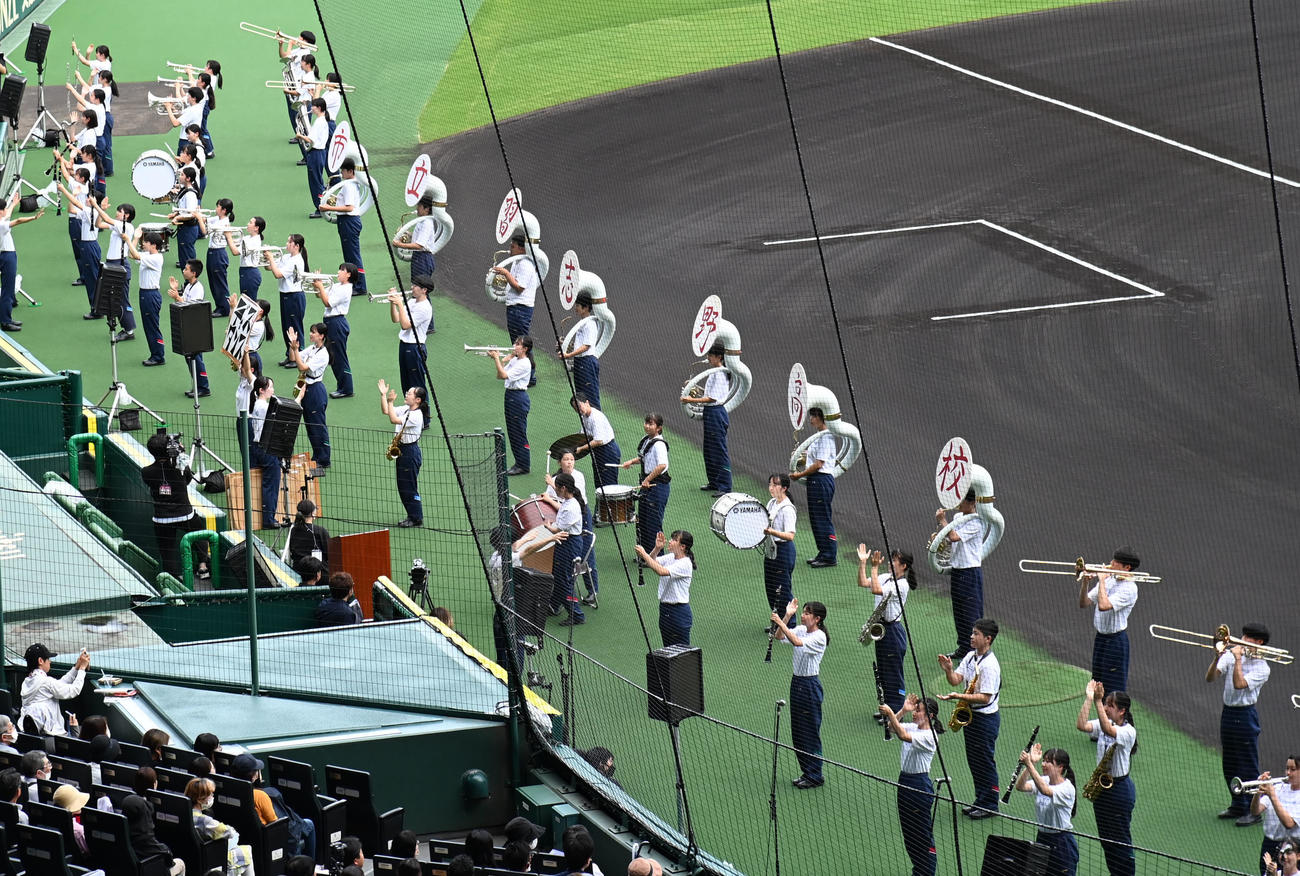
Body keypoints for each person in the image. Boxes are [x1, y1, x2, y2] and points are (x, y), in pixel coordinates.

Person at [1207, 622, 1273, 825]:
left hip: (1245, 715)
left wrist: (1237, 659)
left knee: (1247, 764)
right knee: (1230, 762)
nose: (1242, 640)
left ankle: (1253, 811)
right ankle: (1237, 805)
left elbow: (1239, 684)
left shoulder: (1263, 668)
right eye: (1243, 636)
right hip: (1228, 713)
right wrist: (1217, 657)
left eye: (1248, 638)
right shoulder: (1232, 655)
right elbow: (1210, 678)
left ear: (1259, 642)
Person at [938, 617, 1002, 817]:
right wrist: (949, 670)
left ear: (988, 639)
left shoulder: (989, 665)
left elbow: (985, 697)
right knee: (974, 761)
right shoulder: (970, 656)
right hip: (972, 717)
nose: (971, 637)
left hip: (985, 720)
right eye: (972, 633)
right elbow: (956, 680)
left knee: (984, 761)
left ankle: (990, 805)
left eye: (976, 634)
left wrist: (959, 697)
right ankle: (980, 800)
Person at [1077, 681, 1137, 876]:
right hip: (1102, 788)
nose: (1105, 707)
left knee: (1120, 840)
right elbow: (1081, 725)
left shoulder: (1128, 731)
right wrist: (1089, 698)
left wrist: (1098, 700)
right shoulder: (1105, 722)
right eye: (1105, 704)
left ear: (1122, 711)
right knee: (1106, 840)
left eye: (1110, 705)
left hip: (1119, 790)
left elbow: (1108, 730)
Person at [879, 694, 943, 876]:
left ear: (930, 716)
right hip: (905, 782)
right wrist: (902, 711)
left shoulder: (930, 736)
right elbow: (892, 728)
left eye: (918, 710)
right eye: (915, 710)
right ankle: (919, 870)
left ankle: (926, 872)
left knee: (921, 835)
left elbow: (902, 735)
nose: (915, 713)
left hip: (919, 786)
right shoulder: (913, 726)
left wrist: (890, 712)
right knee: (910, 835)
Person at [771, 597, 828, 789]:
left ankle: (815, 775)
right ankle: (807, 772)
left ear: (817, 618)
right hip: (797, 683)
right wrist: (787, 616)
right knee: (798, 731)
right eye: (803, 612)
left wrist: (780, 622)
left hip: (810, 686)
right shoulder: (802, 629)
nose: (803, 616)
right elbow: (779, 636)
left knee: (809, 731)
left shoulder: (819, 637)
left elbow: (796, 642)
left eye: (807, 613)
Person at [860, 545, 915, 714]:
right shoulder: (886, 577)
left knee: (893, 673)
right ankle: (887, 709)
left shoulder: (902, 585)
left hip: (893, 632)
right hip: (881, 629)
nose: (890, 562)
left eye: (894, 560)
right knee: (883, 670)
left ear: (903, 566)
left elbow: (876, 590)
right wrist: (863, 563)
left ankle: (897, 710)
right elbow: (863, 583)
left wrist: (874, 567)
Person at [1078, 547, 1141, 695]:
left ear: (1127, 567)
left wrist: (1101, 580)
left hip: (1115, 642)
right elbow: (1084, 603)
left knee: (1112, 690)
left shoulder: (1130, 589)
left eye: (1115, 562)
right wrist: (1085, 582)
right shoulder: (1109, 580)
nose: (1111, 563)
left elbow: (1103, 606)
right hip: (1100, 639)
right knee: (1096, 685)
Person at [142, 433, 203, 579]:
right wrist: (180, 455)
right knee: (200, 532)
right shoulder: (180, 468)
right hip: (185, 515)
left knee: (167, 550)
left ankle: (173, 579)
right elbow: (187, 481)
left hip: (162, 519)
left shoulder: (146, 472)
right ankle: (203, 565)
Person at [231, 753, 316, 859]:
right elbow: (275, 823)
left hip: (247, 840)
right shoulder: (260, 796)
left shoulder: (230, 791)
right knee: (309, 824)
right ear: (254, 776)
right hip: (269, 841)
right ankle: (310, 866)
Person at [935, 490, 987, 660]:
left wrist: (943, 521)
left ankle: (976, 651)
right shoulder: (958, 517)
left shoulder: (977, 522)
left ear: (972, 503)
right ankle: (964, 647)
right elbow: (950, 539)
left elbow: (954, 536)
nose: (958, 503)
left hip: (970, 572)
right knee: (959, 612)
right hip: (957, 571)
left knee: (971, 613)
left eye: (962, 500)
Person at [542, 450, 598, 605]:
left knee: (586, 555)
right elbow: (550, 498)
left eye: (572, 459)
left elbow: (567, 498)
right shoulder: (555, 479)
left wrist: (552, 485)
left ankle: (592, 591)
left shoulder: (577, 476)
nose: (569, 462)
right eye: (566, 459)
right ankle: (562, 596)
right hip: (563, 516)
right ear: (559, 462)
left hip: (581, 516)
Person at [1014, 744, 1079, 876]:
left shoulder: (1067, 788)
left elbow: (1045, 790)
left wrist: (1029, 764)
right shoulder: (1043, 780)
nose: (1043, 764)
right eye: (1043, 760)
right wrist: (1031, 763)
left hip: (1061, 843)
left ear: (1060, 767)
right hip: (1042, 837)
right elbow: (1020, 786)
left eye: (1048, 762)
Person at [789, 407, 837, 567]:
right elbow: (813, 460)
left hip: (821, 480)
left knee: (822, 518)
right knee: (816, 518)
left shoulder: (826, 437)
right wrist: (801, 458)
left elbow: (818, 464)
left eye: (813, 416)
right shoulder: (819, 436)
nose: (810, 419)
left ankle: (829, 556)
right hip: (816, 480)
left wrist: (799, 475)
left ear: (820, 417)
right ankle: (823, 552)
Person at [682, 343, 732, 494]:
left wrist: (690, 400)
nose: (708, 358)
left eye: (710, 355)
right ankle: (714, 482)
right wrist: (693, 388)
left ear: (719, 357)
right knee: (709, 449)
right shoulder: (714, 372)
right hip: (711, 412)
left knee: (719, 450)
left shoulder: (720, 374)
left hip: (716, 413)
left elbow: (712, 398)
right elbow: (708, 394)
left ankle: (725, 486)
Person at [379, 379, 428, 528]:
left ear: (417, 400)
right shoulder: (407, 409)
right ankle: (411, 515)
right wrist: (383, 396)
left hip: (410, 452)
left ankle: (416, 517)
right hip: (403, 450)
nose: (406, 394)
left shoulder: (416, 415)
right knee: (403, 485)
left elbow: (393, 419)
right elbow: (386, 411)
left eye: (410, 393)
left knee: (409, 486)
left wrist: (391, 402)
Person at [635, 530, 695, 647]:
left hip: (678, 613)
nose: (670, 541)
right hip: (665, 610)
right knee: (667, 650)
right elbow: (651, 562)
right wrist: (657, 548)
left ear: (682, 547)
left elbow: (661, 571)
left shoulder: (685, 564)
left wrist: (643, 554)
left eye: (674, 540)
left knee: (682, 652)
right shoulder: (671, 557)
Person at [621, 413, 670, 555]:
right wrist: (631, 462)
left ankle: (657, 557)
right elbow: (644, 458)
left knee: (653, 523)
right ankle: (646, 555)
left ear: (659, 427)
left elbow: (662, 465)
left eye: (651, 424)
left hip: (657, 487)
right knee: (642, 521)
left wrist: (647, 479)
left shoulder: (659, 445)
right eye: (646, 423)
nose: (647, 426)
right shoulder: (647, 440)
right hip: (647, 486)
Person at [121, 769, 185, 876]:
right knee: (180, 863)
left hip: (132, 866)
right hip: (149, 868)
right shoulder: (143, 812)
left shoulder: (128, 808)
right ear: (155, 784)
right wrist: (167, 852)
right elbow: (159, 851)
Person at [184, 777, 253, 876]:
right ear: (199, 799)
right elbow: (229, 832)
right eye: (210, 794)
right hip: (213, 858)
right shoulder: (204, 821)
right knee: (246, 849)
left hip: (195, 860)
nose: (213, 796)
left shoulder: (185, 814)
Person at [317, 158, 367, 294]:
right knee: (350, 255)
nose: (341, 173)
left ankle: (360, 286)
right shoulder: (352, 184)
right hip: (348, 221)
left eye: (343, 170)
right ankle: (355, 284)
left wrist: (328, 207)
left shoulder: (348, 186)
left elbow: (349, 207)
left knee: (353, 256)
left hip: (348, 221)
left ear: (350, 171)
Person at [19, 643, 89, 736]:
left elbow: (58, 685)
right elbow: (74, 690)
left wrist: (76, 668)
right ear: (40, 661)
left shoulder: (27, 682)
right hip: (52, 736)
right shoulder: (46, 682)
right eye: (48, 659)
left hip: (29, 732)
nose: (50, 662)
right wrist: (82, 669)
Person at [287, 324, 331, 473]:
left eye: (314, 332)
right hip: (306, 388)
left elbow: (302, 367)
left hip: (315, 391)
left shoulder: (323, 354)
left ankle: (323, 460)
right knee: (310, 426)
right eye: (311, 331)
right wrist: (293, 346)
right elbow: (293, 358)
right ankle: (316, 457)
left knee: (318, 426)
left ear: (321, 336)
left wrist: (295, 350)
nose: (311, 334)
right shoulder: (312, 348)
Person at [0, 191, 45, 333]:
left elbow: (7, 215)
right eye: (4, 208)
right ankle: (5, 321)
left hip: (5, 255)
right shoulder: (2, 225)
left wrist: (13, 204)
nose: (6, 211)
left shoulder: (2, 221)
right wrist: (34, 218)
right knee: (7, 289)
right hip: (7, 256)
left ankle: (6, 318)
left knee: (7, 288)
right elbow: (18, 220)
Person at [545, 472, 586, 626]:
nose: (554, 489)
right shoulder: (569, 501)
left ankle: (576, 614)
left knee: (563, 581)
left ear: (563, 488)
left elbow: (557, 529)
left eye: (556, 487)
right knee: (558, 576)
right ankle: (554, 605)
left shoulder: (571, 507)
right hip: (566, 543)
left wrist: (548, 526)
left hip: (569, 545)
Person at [241, 374, 282, 528]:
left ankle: (262, 517)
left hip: (257, 447)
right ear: (261, 390)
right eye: (270, 387)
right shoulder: (264, 407)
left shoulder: (257, 405)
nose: (273, 390)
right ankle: (268, 519)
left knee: (262, 483)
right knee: (271, 485)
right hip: (267, 449)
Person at [89, 198, 133, 339]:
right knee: (113, 297)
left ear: (126, 215)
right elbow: (99, 224)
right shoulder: (119, 225)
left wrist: (96, 205)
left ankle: (129, 330)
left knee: (122, 299)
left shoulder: (126, 226)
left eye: (120, 211)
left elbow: (107, 219)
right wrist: (101, 209)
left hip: (119, 264)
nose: (117, 213)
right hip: (113, 264)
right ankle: (125, 327)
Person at [491, 335, 533, 475]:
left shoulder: (524, 363)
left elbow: (504, 375)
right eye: (515, 343)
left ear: (525, 349)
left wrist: (497, 358)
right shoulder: (515, 359)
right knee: (512, 431)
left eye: (518, 344)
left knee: (518, 432)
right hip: (510, 395)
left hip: (518, 398)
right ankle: (519, 463)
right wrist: (501, 360)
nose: (515, 345)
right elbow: (499, 375)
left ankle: (523, 465)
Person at [167, 260, 210, 398]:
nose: (183, 271)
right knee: (189, 357)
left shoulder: (198, 288)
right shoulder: (188, 286)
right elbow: (183, 302)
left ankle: (204, 387)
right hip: (188, 326)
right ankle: (197, 385)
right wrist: (176, 292)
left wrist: (177, 297)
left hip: (195, 328)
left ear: (194, 273)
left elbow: (192, 307)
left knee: (196, 358)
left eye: (186, 269)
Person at [1252, 758, 1300, 876]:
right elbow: (1255, 811)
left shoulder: (1275, 792)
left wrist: (1272, 795)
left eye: (1293, 769)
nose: (1288, 773)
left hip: (1292, 849)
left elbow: (1289, 823)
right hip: (1270, 844)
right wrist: (1258, 791)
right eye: (1287, 768)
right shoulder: (1278, 788)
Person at [313, 263, 355, 398]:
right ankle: (342, 387)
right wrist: (317, 286)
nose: (338, 272)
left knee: (339, 357)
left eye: (342, 270)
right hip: (331, 322)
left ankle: (346, 388)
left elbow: (328, 303)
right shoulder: (337, 286)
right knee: (334, 356)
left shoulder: (346, 289)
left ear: (348, 274)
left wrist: (320, 286)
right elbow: (320, 296)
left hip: (337, 323)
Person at [492, 230, 539, 345]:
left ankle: (525, 358)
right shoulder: (517, 262)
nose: (510, 249)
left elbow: (519, 287)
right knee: (517, 344)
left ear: (522, 249)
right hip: (515, 308)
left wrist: (506, 273)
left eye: (513, 246)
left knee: (521, 345)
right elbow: (515, 281)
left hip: (520, 309)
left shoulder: (525, 264)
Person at [127, 230, 167, 365]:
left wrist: (129, 239)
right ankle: (155, 354)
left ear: (153, 245)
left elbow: (136, 255)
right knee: (148, 326)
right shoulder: (148, 255)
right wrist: (134, 239)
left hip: (151, 295)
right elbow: (131, 255)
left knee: (152, 327)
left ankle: (158, 356)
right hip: (145, 294)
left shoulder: (156, 258)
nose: (143, 244)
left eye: (146, 242)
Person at [760, 473, 797, 617]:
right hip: (771, 549)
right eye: (770, 484)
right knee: (771, 587)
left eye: (775, 485)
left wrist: (772, 532)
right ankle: (777, 621)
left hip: (783, 551)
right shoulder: (771, 503)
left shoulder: (787, 509)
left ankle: (789, 623)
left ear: (784, 488)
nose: (771, 488)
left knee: (783, 590)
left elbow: (790, 535)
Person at [389, 275, 433, 394]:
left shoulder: (424, 308)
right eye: (413, 284)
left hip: (415, 348)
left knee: (417, 385)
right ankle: (409, 405)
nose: (412, 287)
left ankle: (423, 406)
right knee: (406, 383)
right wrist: (393, 303)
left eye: (415, 286)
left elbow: (405, 325)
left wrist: (399, 304)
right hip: (404, 345)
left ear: (424, 290)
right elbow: (396, 319)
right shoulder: (412, 301)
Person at [268, 234, 307, 368]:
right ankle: (290, 355)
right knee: (286, 326)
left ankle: (298, 356)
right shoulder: (286, 257)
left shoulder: (296, 260)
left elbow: (278, 274)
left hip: (294, 296)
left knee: (294, 327)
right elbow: (271, 268)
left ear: (296, 246)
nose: (286, 244)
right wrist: (268, 259)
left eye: (289, 242)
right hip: (285, 294)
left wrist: (271, 258)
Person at [559, 291, 602, 408]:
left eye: (577, 305)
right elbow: (580, 345)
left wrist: (568, 355)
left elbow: (586, 346)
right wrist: (565, 345)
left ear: (586, 307)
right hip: (580, 362)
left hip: (587, 362)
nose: (575, 308)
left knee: (591, 398)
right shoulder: (582, 323)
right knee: (581, 397)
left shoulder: (590, 324)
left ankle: (596, 419)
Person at [571, 394, 621, 490]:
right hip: (598, 452)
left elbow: (599, 441)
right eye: (575, 408)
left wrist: (581, 448)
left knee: (609, 486)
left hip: (608, 451)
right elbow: (583, 434)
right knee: (599, 485)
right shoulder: (584, 417)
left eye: (579, 406)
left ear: (587, 402)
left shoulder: (596, 417)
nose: (578, 409)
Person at [197, 199, 234, 317]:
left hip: (218, 253)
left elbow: (204, 231)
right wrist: (199, 214)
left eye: (218, 206)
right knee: (213, 282)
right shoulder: (217, 219)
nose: (215, 208)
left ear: (224, 210)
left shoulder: (223, 223)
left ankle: (225, 308)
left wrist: (198, 218)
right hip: (213, 253)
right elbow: (206, 220)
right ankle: (220, 306)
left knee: (219, 283)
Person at [391, 194, 439, 280]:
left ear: (427, 209)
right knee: (416, 285)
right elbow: (420, 239)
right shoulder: (422, 221)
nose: (417, 208)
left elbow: (419, 245)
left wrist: (399, 244)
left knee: (419, 286)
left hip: (422, 258)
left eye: (419, 206)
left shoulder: (426, 223)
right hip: (419, 257)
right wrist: (407, 233)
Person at [296, 98, 329, 217]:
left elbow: (311, 140)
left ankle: (320, 208)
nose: (312, 108)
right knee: (318, 181)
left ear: (319, 108)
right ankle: (323, 206)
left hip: (315, 154)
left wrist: (300, 136)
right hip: (320, 153)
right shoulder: (323, 120)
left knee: (315, 182)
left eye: (313, 106)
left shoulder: (319, 122)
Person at [168, 163, 203, 268]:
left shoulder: (190, 195)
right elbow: (185, 209)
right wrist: (176, 213)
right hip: (185, 228)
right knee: (184, 258)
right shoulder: (185, 190)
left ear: (188, 178)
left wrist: (177, 217)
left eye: (182, 175)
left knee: (188, 259)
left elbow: (192, 214)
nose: (180, 176)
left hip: (188, 229)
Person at [229, 216, 267, 307]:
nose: (248, 224)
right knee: (245, 302)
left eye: (250, 222)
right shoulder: (247, 238)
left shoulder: (254, 241)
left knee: (249, 305)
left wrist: (228, 236)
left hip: (250, 274)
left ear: (256, 228)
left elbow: (235, 252)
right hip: (245, 272)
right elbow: (235, 246)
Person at [286, 500, 329, 570]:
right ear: (312, 513)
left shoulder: (294, 530)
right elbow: (329, 553)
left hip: (298, 571)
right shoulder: (320, 531)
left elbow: (292, 551)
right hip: (318, 570)